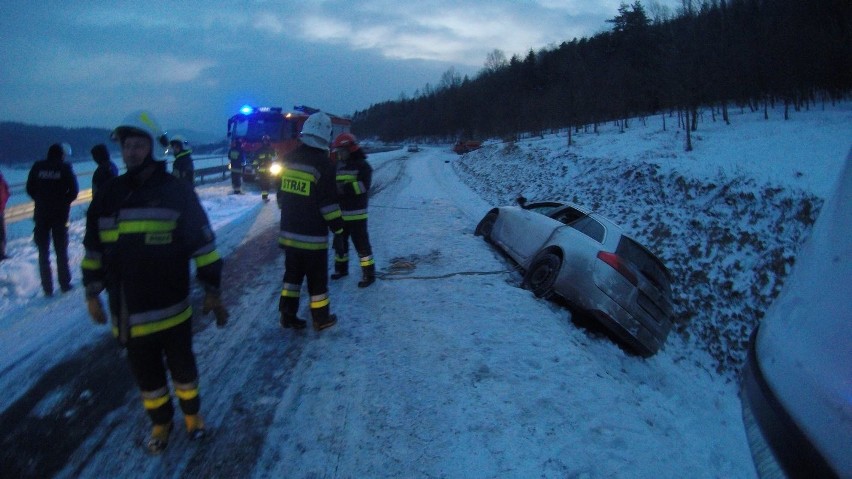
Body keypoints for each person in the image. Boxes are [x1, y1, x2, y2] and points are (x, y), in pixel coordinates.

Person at [82, 110, 229, 454]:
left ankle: (193, 418)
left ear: (151, 147)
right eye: (126, 146)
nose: (130, 152)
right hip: (129, 313)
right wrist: (92, 290)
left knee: (184, 371)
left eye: (137, 145)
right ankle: (161, 423)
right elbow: (94, 248)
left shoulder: (176, 192)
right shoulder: (108, 195)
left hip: (173, 309)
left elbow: (203, 245)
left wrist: (212, 289)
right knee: (147, 379)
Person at [276, 112, 344, 331]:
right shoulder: (324, 165)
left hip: (288, 234)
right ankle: (321, 318)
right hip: (312, 239)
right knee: (317, 282)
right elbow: (329, 206)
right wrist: (340, 230)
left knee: (291, 278)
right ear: (326, 137)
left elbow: (280, 197)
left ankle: (287, 315)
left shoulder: (287, 159)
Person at [26, 142, 79, 295]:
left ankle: (47, 287)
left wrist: (40, 199)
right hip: (59, 215)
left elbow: (30, 188)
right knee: (61, 250)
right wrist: (64, 201)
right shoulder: (65, 168)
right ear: (61, 155)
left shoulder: (37, 167)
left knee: (43, 252)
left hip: (41, 214)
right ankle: (64, 283)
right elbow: (74, 191)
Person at [330, 132, 376, 287]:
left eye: (341, 152)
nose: (339, 155)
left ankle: (369, 275)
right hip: (340, 214)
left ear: (350, 149)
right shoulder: (338, 165)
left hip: (356, 215)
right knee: (340, 245)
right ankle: (341, 270)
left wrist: (345, 188)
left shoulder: (363, 165)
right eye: (337, 152)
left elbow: (364, 186)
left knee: (362, 246)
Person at [254, 135, 275, 201]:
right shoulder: (259, 150)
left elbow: (275, 158)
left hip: (269, 170)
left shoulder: (271, 150)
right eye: (264, 141)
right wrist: (255, 168)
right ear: (262, 141)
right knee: (263, 183)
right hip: (262, 170)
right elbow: (256, 160)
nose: (265, 142)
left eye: (266, 141)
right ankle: (264, 196)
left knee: (267, 183)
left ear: (268, 141)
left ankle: (265, 196)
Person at [0, 168, 9, 261]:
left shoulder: (2, 180)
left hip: (1, 209)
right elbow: (6, 192)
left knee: (2, 232)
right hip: (1, 209)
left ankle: (2, 253)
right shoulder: (2, 180)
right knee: (2, 232)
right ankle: (1, 253)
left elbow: (7, 192)